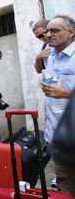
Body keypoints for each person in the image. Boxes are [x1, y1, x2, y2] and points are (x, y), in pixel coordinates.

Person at [40, 15, 75, 196]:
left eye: (55, 30)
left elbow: (64, 91)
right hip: (58, 137)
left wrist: (67, 93)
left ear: (71, 32)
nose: (49, 35)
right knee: (64, 186)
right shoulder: (50, 55)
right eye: (47, 31)